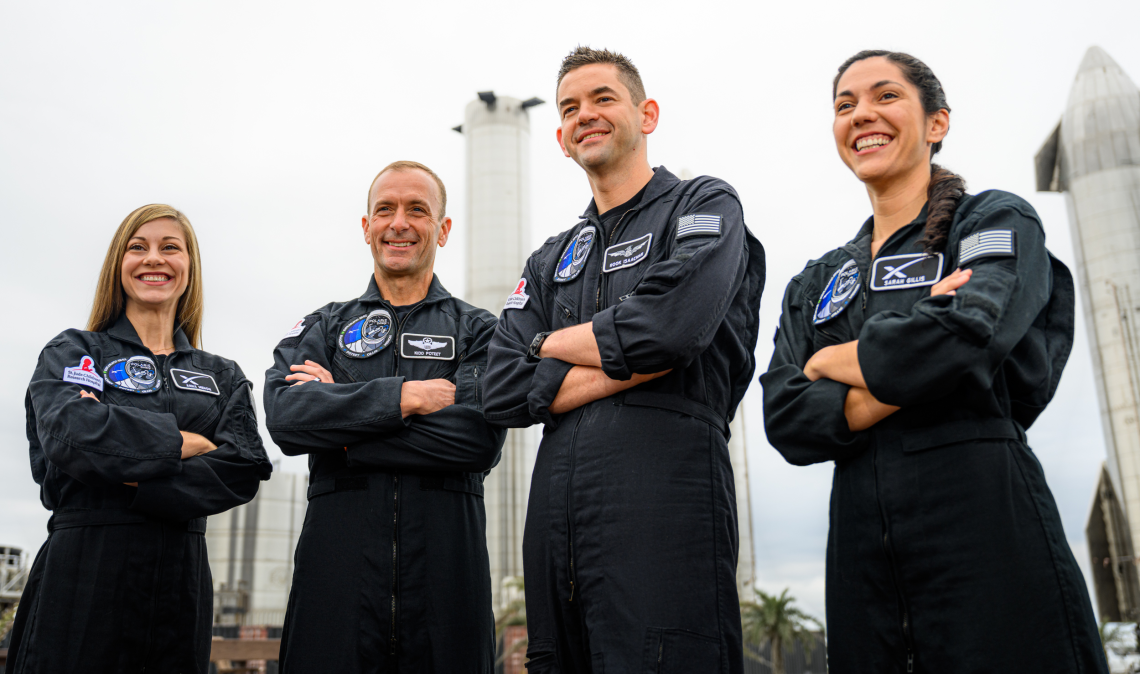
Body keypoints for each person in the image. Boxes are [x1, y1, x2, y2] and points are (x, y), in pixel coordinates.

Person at [760, 50, 1107, 673]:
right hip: (861, 552)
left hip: (986, 521)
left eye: (885, 96)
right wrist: (921, 346)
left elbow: (971, 336)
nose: (862, 113)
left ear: (937, 123)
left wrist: (834, 360)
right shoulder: (819, 279)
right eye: (845, 105)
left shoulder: (991, 220)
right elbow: (786, 417)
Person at [483, 47, 765, 673]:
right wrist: (620, 354)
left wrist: (546, 345)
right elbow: (500, 388)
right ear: (559, 138)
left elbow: (670, 330)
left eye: (603, 98)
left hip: (666, 499)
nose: (586, 115)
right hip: (557, 520)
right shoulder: (550, 259)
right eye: (570, 108)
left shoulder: (704, 205)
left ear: (648, 114)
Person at [264, 160, 506, 672]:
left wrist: (342, 430)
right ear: (366, 227)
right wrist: (404, 398)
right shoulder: (324, 326)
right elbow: (287, 418)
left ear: (441, 229)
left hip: (446, 587)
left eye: (417, 210)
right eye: (385, 210)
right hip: (336, 587)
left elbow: (475, 439)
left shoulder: (480, 331)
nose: (399, 223)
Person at [9, 204, 272, 674]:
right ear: (119, 264)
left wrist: (131, 476)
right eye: (138, 247)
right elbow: (72, 434)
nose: (154, 258)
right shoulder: (74, 351)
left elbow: (243, 467)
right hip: (84, 571)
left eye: (171, 247)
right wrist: (182, 441)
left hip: (181, 581)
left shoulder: (220, 375)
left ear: (189, 267)